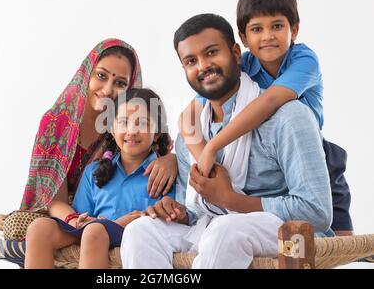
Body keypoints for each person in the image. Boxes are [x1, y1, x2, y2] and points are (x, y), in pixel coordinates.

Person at [120, 14, 332, 269]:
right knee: (140, 231)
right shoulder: (191, 133)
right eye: (191, 61)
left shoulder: (288, 117)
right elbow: (196, 211)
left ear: (235, 53)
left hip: (286, 232)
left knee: (226, 229)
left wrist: (231, 200)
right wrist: (175, 211)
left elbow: (316, 211)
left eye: (211, 52)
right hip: (212, 227)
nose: (203, 66)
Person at [178, 0, 352, 235]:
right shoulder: (243, 64)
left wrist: (214, 146)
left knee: (339, 243)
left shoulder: (304, 60)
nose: (268, 36)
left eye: (277, 26)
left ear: (295, 29)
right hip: (272, 155)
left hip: (318, 153)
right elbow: (187, 116)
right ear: (244, 38)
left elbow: (269, 102)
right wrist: (203, 156)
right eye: (257, 29)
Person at [25, 88, 175, 268]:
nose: (131, 131)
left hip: (132, 234)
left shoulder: (164, 172)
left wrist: (111, 224)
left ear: (157, 132)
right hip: (94, 231)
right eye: (123, 122)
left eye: (142, 123)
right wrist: (82, 219)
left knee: (94, 231)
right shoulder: (94, 171)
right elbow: (81, 218)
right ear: (112, 128)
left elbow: (168, 220)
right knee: (39, 228)